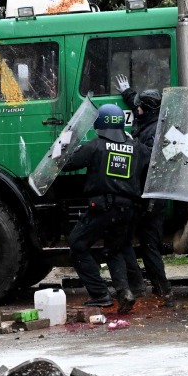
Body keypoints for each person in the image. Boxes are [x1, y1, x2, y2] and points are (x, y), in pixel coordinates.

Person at [62, 104, 149, 314]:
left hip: (102, 208)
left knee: (77, 244)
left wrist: (66, 143)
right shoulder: (138, 148)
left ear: (100, 124)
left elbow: (66, 164)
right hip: (128, 210)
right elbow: (156, 163)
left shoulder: (95, 146)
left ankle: (100, 294)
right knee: (114, 249)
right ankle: (124, 292)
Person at [116, 80, 175, 307]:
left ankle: (161, 291)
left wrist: (133, 146)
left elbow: (152, 162)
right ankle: (153, 288)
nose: (136, 109)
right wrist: (129, 93)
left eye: (140, 107)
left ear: (149, 110)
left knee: (148, 245)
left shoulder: (156, 133)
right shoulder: (151, 120)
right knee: (140, 243)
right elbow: (138, 106)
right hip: (144, 196)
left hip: (149, 197)